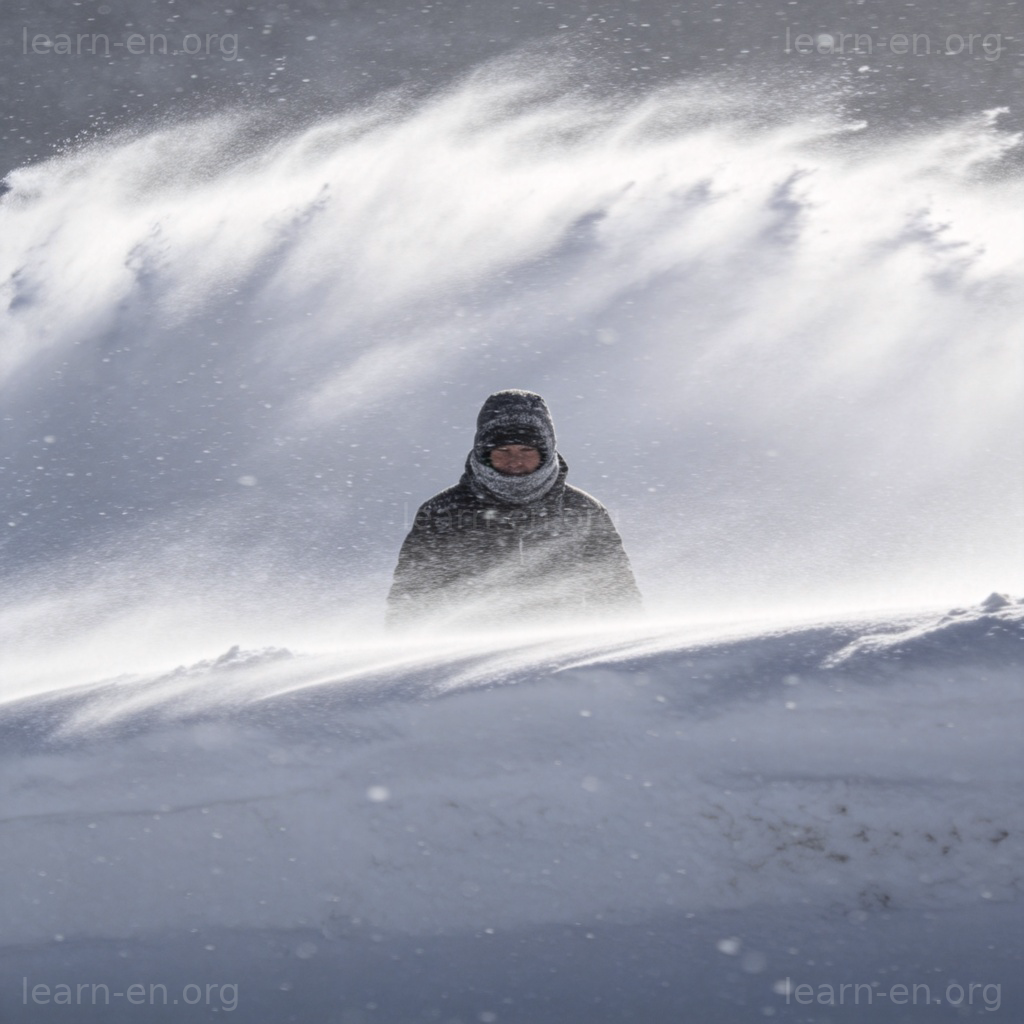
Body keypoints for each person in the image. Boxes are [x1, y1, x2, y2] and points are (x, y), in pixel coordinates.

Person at [386, 389, 642, 628]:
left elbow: (618, 595)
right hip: (465, 660)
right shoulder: (442, 513)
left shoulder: (583, 511)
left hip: (563, 660)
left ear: (546, 450)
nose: (515, 460)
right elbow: (410, 601)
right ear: (484, 452)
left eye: (526, 449)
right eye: (503, 450)